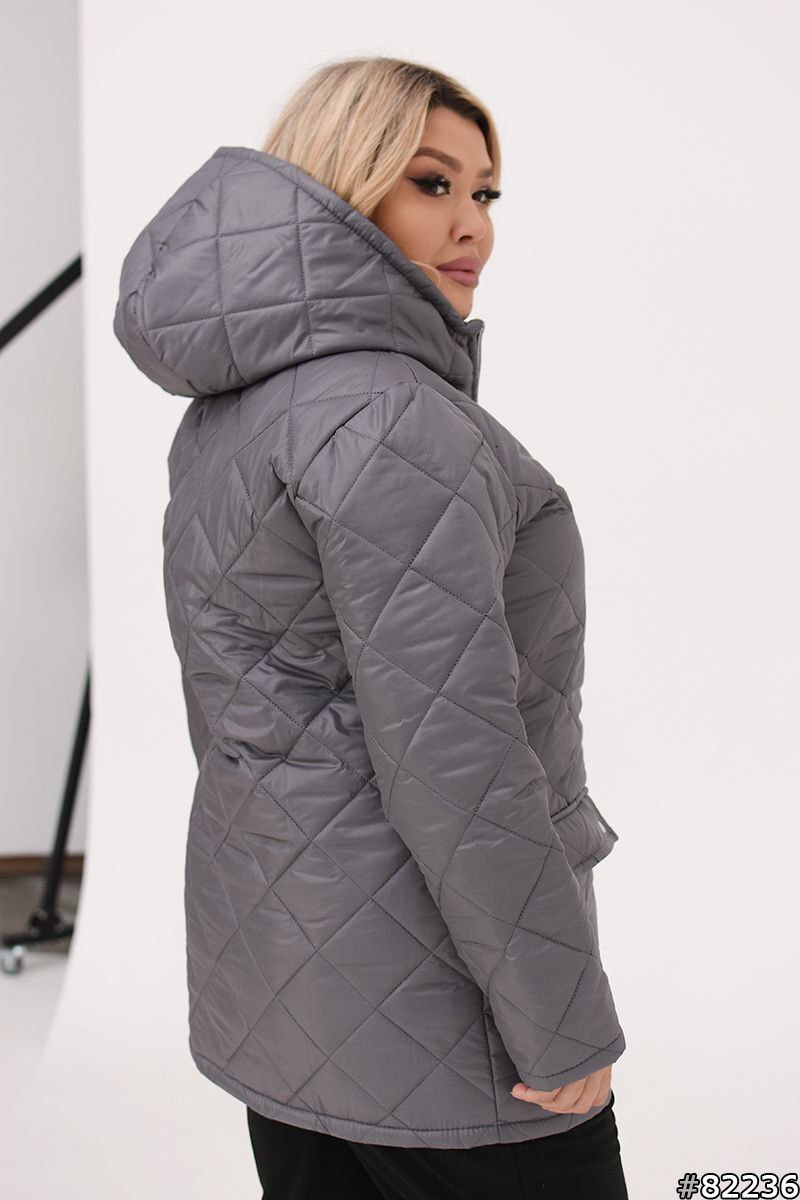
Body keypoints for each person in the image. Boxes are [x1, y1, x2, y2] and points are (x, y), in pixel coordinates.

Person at [113, 54, 628, 1200]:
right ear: (342, 186)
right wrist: (558, 1020)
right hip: (433, 1003)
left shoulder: (240, 407)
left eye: (484, 192)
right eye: (430, 183)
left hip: (283, 978)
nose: (471, 225)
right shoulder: (393, 417)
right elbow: (455, 758)